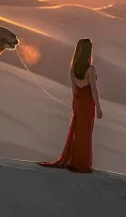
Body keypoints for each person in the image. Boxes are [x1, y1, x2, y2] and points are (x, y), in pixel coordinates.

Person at [38, 38, 103, 173]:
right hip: (87, 104)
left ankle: (72, 160)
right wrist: (98, 107)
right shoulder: (91, 69)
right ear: (88, 52)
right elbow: (94, 90)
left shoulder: (73, 69)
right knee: (85, 134)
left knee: (76, 132)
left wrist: (76, 104)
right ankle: (81, 164)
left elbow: (74, 91)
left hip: (77, 103)